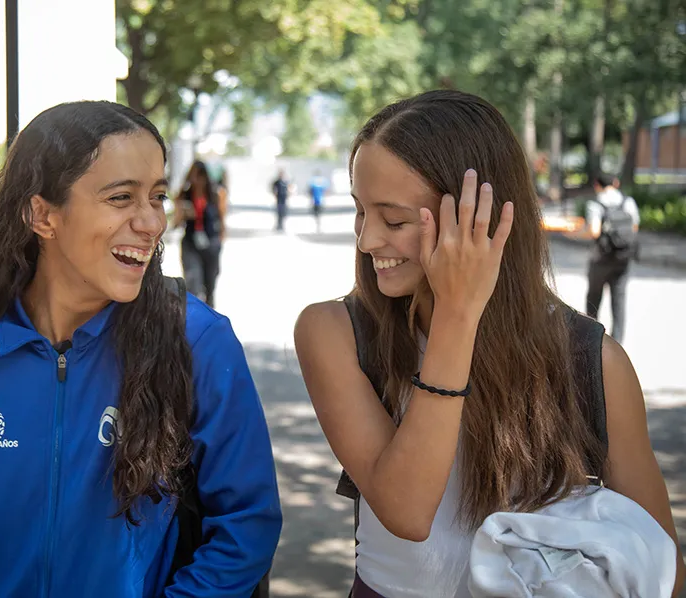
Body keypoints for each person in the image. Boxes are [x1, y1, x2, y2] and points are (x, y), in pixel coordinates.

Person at [293, 90, 684, 597]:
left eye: (393, 220)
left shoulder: (592, 360)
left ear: (481, 219)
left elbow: (663, 571)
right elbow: (407, 511)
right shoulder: (333, 331)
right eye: (360, 212)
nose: (367, 241)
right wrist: (458, 315)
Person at [0, 101, 281, 597]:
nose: (151, 223)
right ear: (43, 215)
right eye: (121, 197)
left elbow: (245, 523)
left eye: (157, 197)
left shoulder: (196, 339)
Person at [585, 172, 640, 343]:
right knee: (619, 300)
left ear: (597, 185)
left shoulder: (595, 204)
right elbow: (634, 227)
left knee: (594, 298)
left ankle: (591, 339)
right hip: (623, 258)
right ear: (615, 183)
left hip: (601, 258)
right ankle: (618, 343)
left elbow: (594, 231)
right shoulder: (628, 201)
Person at [172, 160, 226, 308]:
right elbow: (175, 224)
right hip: (190, 242)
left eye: (200, 176)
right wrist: (182, 213)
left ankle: (209, 318)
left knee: (210, 284)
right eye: (193, 176)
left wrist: (220, 242)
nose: (197, 180)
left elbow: (221, 219)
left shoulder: (215, 194)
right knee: (192, 283)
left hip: (211, 242)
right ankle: (194, 320)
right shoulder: (183, 195)